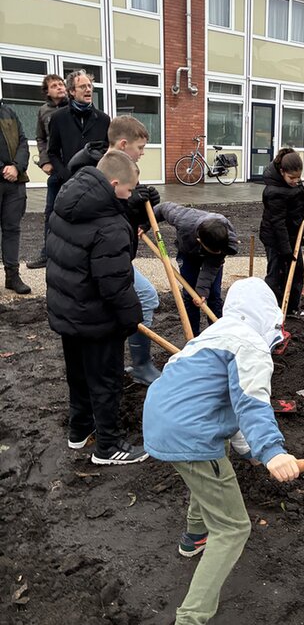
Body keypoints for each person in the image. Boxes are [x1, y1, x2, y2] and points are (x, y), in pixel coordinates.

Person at [143, 277, 302, 625]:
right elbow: (252, 403)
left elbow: (221, 404)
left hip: (162, 420)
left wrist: (251, 451)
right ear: (269, 317)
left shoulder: (213, 335)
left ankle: (194, 536)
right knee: (233, 528)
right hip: (190, 434)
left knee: (213, 468)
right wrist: (273, 451)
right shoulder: (251, 345)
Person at [46, 151, 147, 465]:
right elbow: (115, 283)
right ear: (114, 184)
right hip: (97, 318)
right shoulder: (110, 226)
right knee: (106, 382)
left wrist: (129, 212)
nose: (130, 195)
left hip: (68, 311)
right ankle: (108, 447)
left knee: (78, 375)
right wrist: (132, 319)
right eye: (129, 190)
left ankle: (79, 431)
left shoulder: (65, 202)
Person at [67, 115, 162, 385]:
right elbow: (95, 217)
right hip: (96, 259)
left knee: (139, 300)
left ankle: (134, 364)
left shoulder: (122, 168)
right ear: (123, 144)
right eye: (140, 148)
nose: (142, 153)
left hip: (114, 256)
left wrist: (143, 210)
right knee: (143, 298)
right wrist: (129, 204)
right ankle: (138, 365)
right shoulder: (89, 169)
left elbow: (125, 219)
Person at [154, 202, 238, 335]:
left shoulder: (225, 238)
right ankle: (193, 335)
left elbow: (212, 266)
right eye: (214, 251)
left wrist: (202, 291)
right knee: (190, 294)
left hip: (212, 248)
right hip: (188, 253)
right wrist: (144, 225)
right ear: (200, 241)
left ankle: (218, 334)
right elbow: (162, 208)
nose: (217, 253)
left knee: (214, 295)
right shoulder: (183, 219)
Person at [26, 74, 68, 269]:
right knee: (51, 212)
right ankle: (47, 254)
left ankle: (70, 255)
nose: (59, 87)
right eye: (54, 85)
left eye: (61, 84)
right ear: (47, 91)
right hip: (55, 170)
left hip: (73, 168)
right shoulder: (43, 111)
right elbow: (40, 138)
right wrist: (44, 162)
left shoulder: (73, 107)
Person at [259, 148, 304, 315]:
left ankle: (292, 308)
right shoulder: (274, 191)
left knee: (297, 272)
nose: (296, 181)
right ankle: (273, 311)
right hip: (276, 238)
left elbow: (297, 201)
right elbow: (278, 223)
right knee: (277, 274)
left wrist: (301, 212)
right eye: (291, 178)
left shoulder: (293, 183)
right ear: (282, 172)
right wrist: (286, 250)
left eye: (298, 177)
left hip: (292, 235)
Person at [47, 70, 110, 186]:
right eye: (82, 87)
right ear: (72, 91)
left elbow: (108, 150)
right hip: (68, 182)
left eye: (89, 86)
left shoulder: (103, 119)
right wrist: (64, 174)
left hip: (95, 182)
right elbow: (53, 152)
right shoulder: (58, 117)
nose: (88, 90)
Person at [0, 103, 31, 294]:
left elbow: (23, 142)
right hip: (5, 175)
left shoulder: (9, 112)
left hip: (15, 182)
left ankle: (12, 276)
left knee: (12, 229)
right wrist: (2, 169)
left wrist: (16, 167)